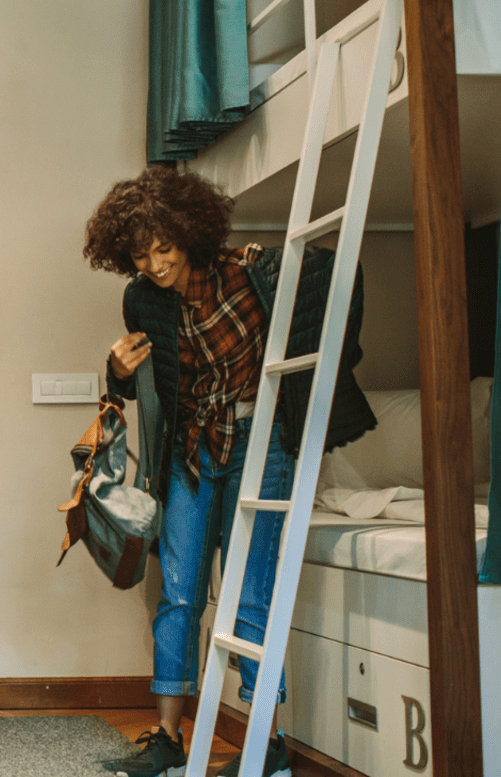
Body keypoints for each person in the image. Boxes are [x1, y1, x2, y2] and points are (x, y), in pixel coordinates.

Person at [83, 166, 376, 777]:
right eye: (142, 254)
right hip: (190, 446)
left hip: (262, 441)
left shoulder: (251, 270)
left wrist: (324, 372)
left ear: (190, 232)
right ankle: (166, 738)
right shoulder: (141, 297)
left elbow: (341, 279)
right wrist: (114, 372)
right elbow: (145, 388)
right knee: (179, 592)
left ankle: (267, 746)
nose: (156, 263)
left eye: (164, 247)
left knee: (251, 593)